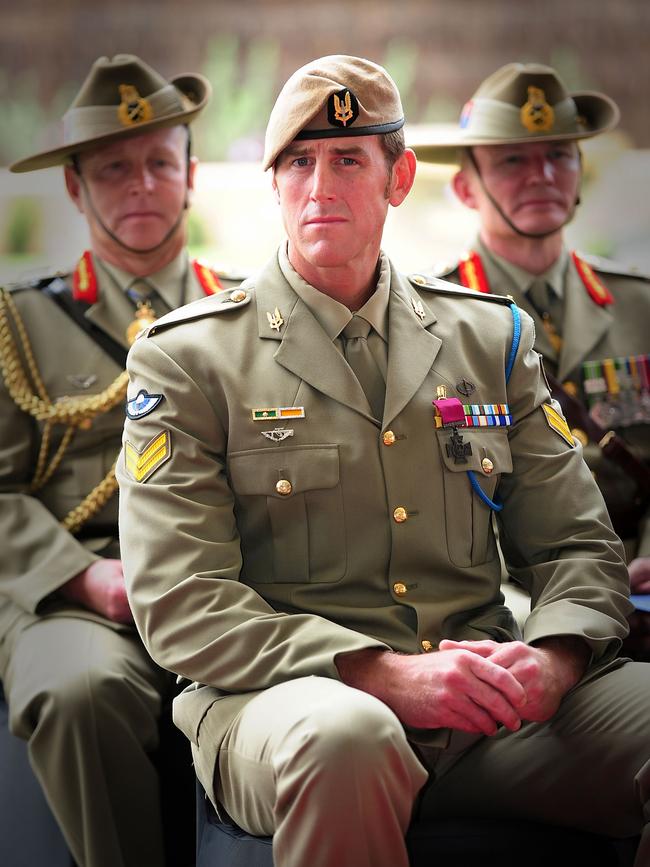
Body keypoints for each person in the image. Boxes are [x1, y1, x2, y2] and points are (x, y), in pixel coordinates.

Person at [117, 55, 649, 867]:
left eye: (348, 158)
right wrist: (388, 676)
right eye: (298, 161)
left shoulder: (489, 337)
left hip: (485, 710)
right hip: (284, 710)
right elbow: (182, 603)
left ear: (399, 177)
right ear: (275, 183)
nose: (319, 184)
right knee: (349, 736)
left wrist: (555, 656)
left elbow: (579, 546)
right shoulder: (188, 358)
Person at [0, 53, 243, 867]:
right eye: (113, 169)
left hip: (230, 584)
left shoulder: (249, 313)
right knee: (78, 690)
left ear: (190, 174)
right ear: (75, 187)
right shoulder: (19, 323)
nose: (139, 184)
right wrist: (87, 579)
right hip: (75, 593)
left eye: (157, 163)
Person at [411, 63, 650, 650]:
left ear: (579, 173)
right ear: (466, 188)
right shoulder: (427, 323)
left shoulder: (638, 304)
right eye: (512, 161)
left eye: (559, 156)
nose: (541, 175)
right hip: (510, 607)